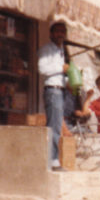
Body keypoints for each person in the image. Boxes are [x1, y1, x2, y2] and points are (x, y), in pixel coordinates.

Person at [38, 21, 70, 170]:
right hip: (52, 90)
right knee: (54, 127)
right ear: (51, 34)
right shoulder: (47, 49)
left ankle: (53, 159)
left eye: (63, 32)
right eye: (57, 31)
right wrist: (61, 68)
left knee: (57, 126)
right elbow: (42, 69)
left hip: (61, 90)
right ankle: (52, 161)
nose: (60, 34)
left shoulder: (61, 51)